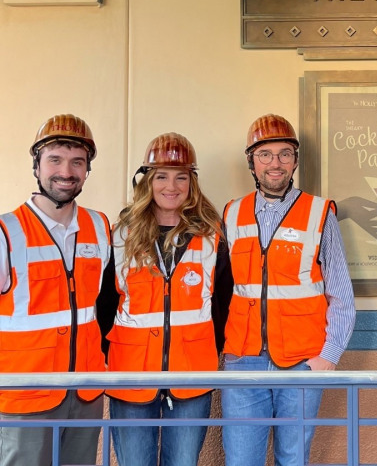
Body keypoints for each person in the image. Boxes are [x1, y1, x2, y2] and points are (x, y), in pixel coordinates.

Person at [221, 114, 355, 466]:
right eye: (265, 155)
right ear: (251, 162)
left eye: (284, 154)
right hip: (243, 360)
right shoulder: (231, 213)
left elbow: (341, 292)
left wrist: (329, 357)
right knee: (240, 461)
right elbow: (218, 290)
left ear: (295, 161)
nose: (275, 163)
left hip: (301, 363)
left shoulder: (319, 212)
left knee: (293, 460)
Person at [96, 132, 232, 466]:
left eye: (180, 177)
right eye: (161, 177)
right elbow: (104, 304)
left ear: (192, 182)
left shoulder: (212, 236)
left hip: (192, 375)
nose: (171, 186)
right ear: (147, 181)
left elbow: (224, 304)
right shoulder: (120, 235)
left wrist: (203, 351)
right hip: (130, 374)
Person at [0, 114, 111, 466]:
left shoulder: (100, 226)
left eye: (77, 161)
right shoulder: (6, 232)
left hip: (85, 392)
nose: (66, 171)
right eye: (55, 159)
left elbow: (104, 304)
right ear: (36, 165)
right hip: (24, 397)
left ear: (87, 169)